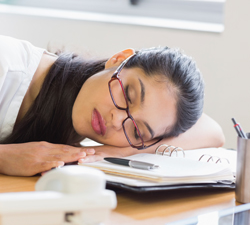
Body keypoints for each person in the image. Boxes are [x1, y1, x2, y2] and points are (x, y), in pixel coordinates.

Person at [0, 35, 224, 176]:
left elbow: (212, 131)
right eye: (127, 95)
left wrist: (115, 150)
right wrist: (5, 157)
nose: (117, 121)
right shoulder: (6, 65)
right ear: (118, 59)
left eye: (136, 131)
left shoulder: (73, 112)